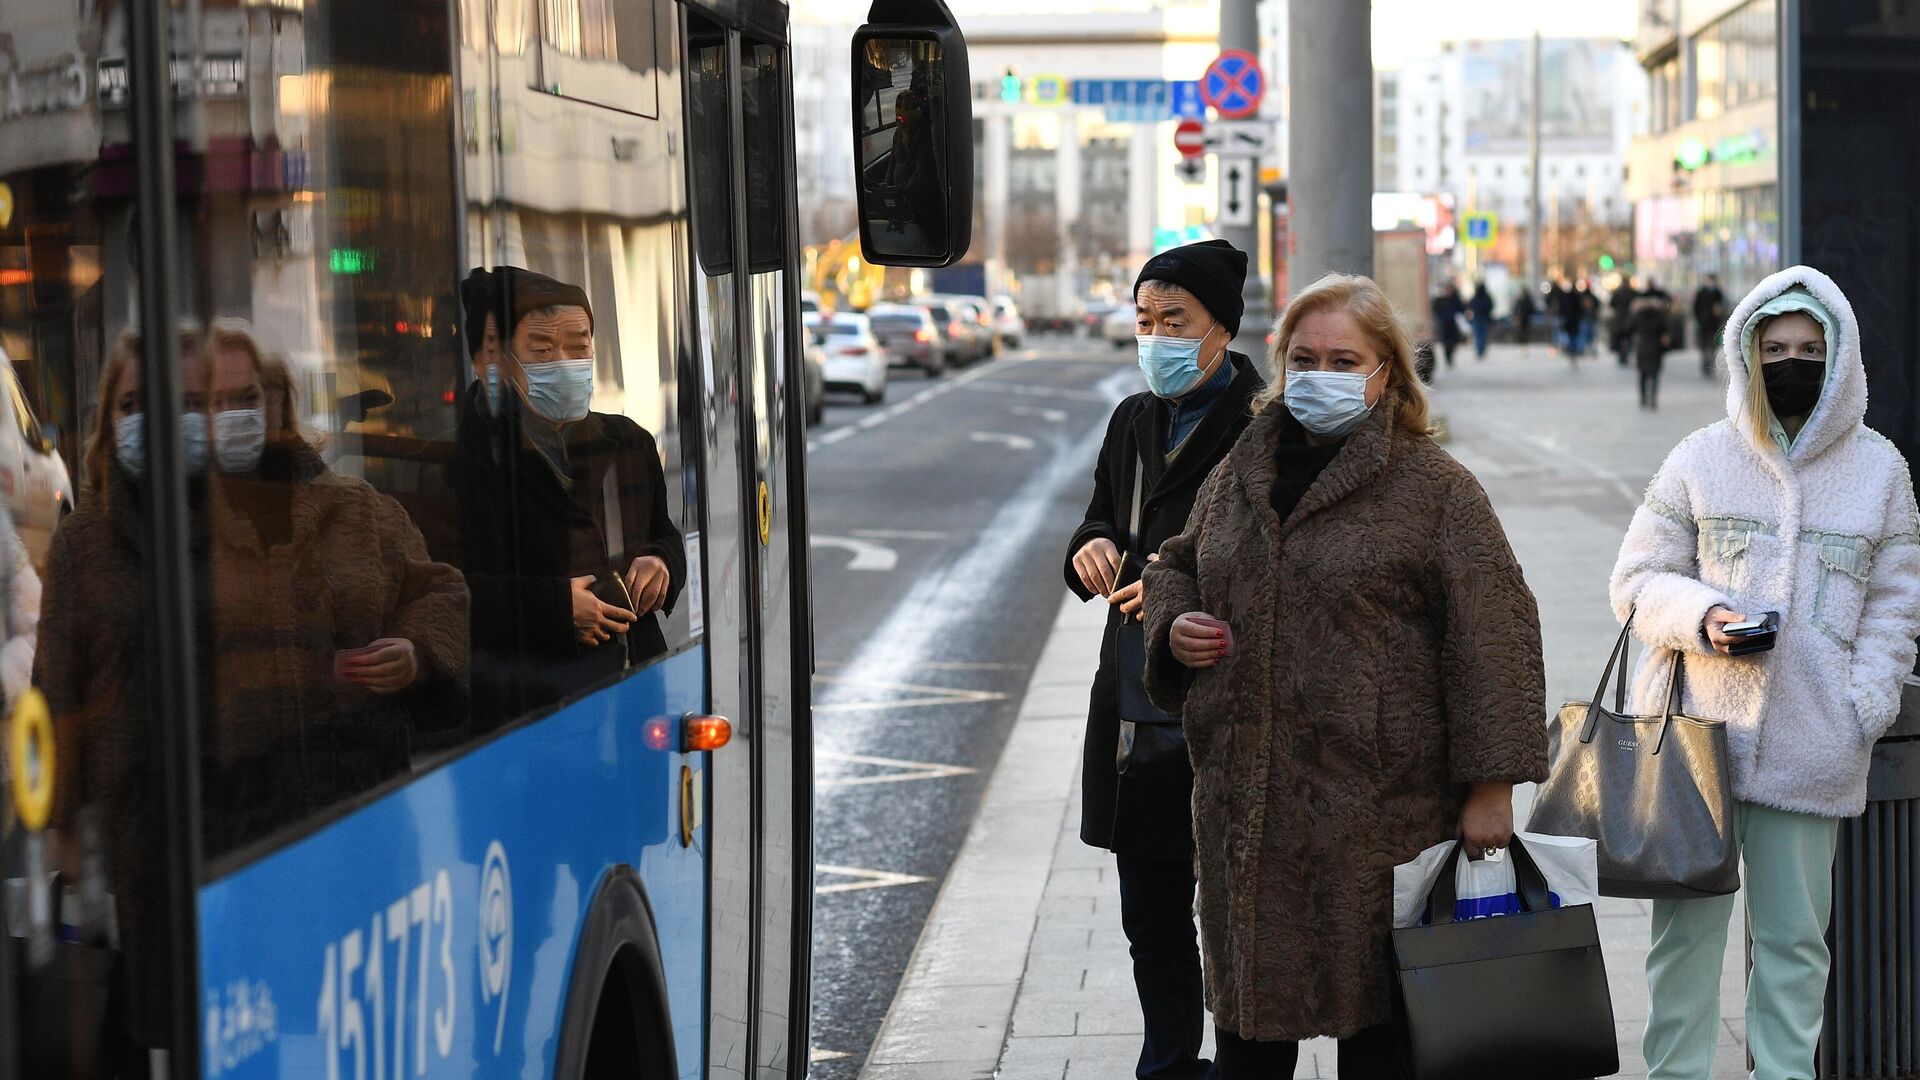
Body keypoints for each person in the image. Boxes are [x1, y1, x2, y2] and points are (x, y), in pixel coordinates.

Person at [1141, 273, 1548, 1078]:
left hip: (1379, 823)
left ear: (1385, 374)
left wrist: (1492, 788)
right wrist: (1173, 625)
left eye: (1342, 360)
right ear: (1280, 365)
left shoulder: (1434, 489)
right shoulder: (1240, 470)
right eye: (1304, 359)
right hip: (1249, 819)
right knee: (1250, 1041)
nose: (1319, 376)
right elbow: (1175, 566)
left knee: (1383, 1039)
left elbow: (1496, 637)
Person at [1610, 265, 1920, 1080]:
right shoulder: (1700, 457)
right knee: (1683, 950)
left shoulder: (1880, 471)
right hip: (1693, 748)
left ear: (1842, 357)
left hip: (1815, 743)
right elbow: (1635, 582)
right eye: (1775, 346)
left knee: (1795, 946)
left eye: (1811, 348)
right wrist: (1703, 617)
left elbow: (1896, 603)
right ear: (1745, 354)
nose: (1792, 361)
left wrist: (1866, 702)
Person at [1065, 239, 1265, 1080]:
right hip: (1138, 704)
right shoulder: (1134, 419)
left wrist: (1181, 591)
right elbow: (1099, 516)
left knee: (1234, 911)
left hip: (1229, 702)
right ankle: (1170, 1061)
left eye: (1173, 321)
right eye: (1144, 321)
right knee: (1150, 907)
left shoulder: (1265, 420)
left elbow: (1275, 562)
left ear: (1220, 327)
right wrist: (1093, 548)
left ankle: (1244, 1063)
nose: (1156, 338)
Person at [452, 267, 687, 730]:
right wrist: (555, 609)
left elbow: (664, 534)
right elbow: (444, 588)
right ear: (489, 362)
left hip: (636, 686)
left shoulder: (628, 441)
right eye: (542, 350)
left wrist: (661, 563)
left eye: (579, 347)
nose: (565, 363)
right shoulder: (462, 458)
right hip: (528, 705)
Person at [1631, 282, 1673, 410]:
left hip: (1642, 346)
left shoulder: (1638, 315)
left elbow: (1629, 328)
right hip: (1655, 347)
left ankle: (1643, 398)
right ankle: (1653, 398)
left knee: (1643, 374)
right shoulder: (1659, 315)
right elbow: (1666, 330)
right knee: (1654, 374)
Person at [1693, 273, 1729, 377]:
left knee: (1712, 346)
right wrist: (1699, 319)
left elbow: (1722, 306)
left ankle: (1710, 365)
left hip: (1714, 324)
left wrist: (1719, 313)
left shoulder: (1718, 292)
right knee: (1704, 346)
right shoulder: (1701, 293)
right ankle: (1705, 364)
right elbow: (1696, 308)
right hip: (1703, 324)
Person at [1429, 280, 1465, 368]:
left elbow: (1461, 309)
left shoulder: (1455, 299)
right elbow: (1435, 309)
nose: (1448, 291)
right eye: (1447, 289)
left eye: (1449, 289)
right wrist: (1438, 318)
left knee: (1454, 342)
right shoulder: (1440, 299)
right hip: (1444, 324)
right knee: (1446, 342)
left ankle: (1451, 356)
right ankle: (1448, 358)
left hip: (1453, 324)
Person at [1610, 276, 1640, 367]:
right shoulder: (1633, 292)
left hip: (1620, 318)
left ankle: (1621, 356)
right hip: (1629, 318)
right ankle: (1625, 355)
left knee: (1620, 337)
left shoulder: (1617, 292)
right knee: (1628, 337)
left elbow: (1612, 304)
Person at [1467, 280, 1494, 359]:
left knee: (1480, 335)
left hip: (1480, 318)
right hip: (1481, 318)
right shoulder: (1485, 297)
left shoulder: (1478, 297)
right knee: (1481, 335)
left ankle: (1480, 350)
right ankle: (1480, 350)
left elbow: (1470, 305)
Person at [1545, 278, 1569, 353]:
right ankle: (1562, 344)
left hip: (1555, 315)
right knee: (1561, 330)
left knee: (1555, 331)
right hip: (1561, 315)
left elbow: (1546, 302)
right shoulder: (1561, 293)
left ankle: (1557, 345)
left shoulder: (1551, 294)